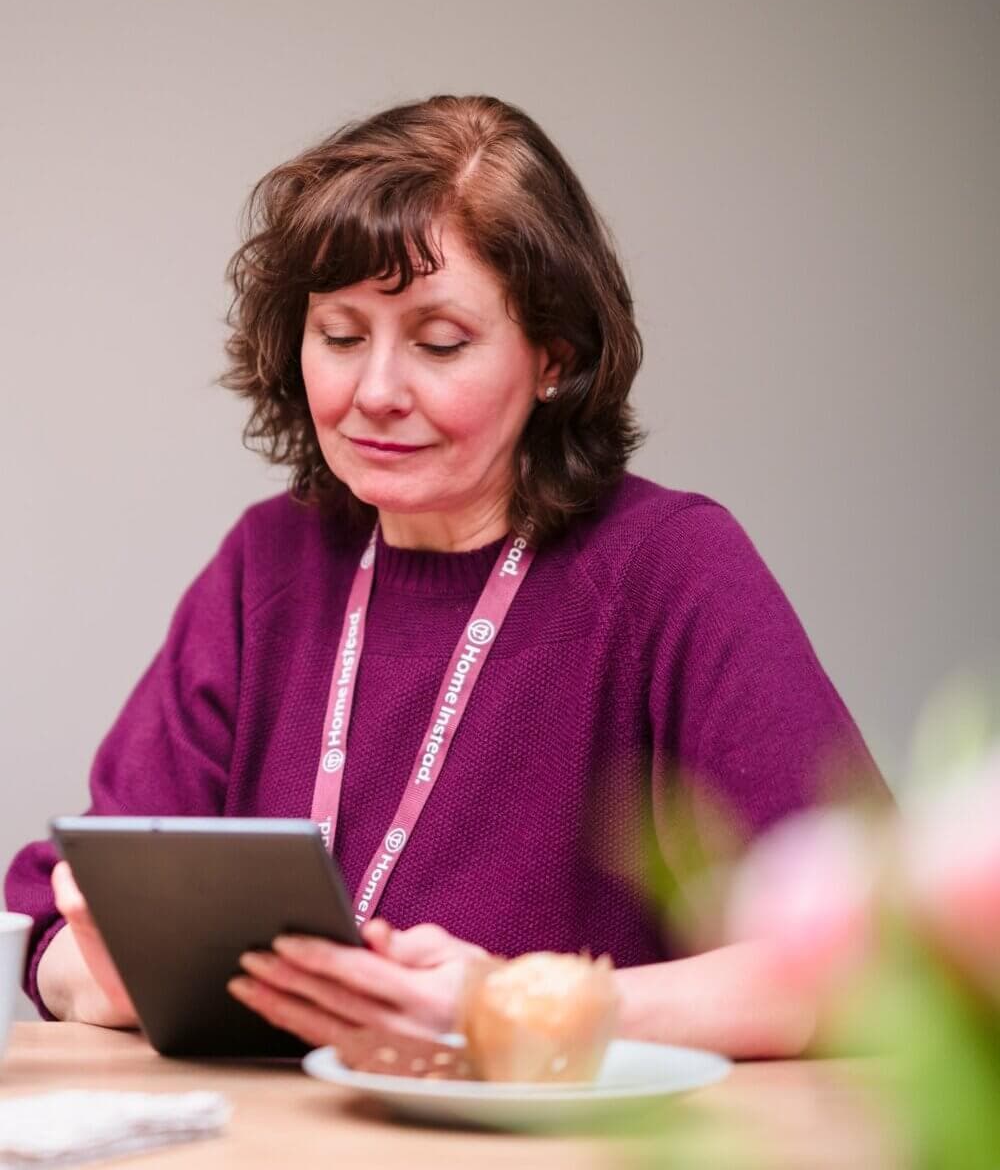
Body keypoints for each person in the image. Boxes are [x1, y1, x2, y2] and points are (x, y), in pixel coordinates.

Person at [4, 94, 890, 1059]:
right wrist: (105, 971)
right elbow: (52, 920)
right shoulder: (267, 565)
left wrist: (506, 1004)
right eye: (341, 335)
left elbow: (875, 958)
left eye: (439, 342)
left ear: (553, 356)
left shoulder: (668, 568)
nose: (377, 391)